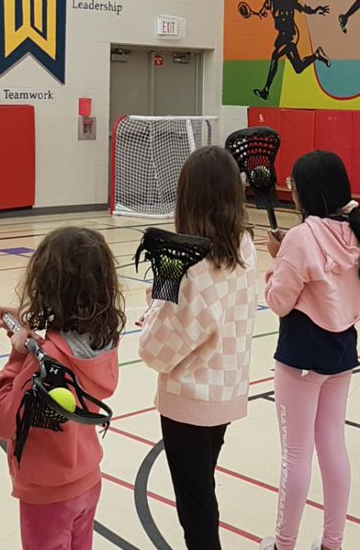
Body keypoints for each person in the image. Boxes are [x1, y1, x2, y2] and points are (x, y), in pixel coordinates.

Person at [138, 146, 258, 550]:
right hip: (226, 389)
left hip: (190, 400)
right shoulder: (244, 244)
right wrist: (161, 300)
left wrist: (157, 306)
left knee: (196, 505)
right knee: (202, 488)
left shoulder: (192, 267)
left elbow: (155, 351)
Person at [259, 151, 360, 550]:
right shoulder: (357, 231)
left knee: (296, 455)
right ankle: (332, 543)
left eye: (293, 185)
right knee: (333, 446)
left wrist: (276, 261)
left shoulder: (301, 238)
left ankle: (284, 544)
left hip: (300, 358)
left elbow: (278, 302)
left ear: (307, 191)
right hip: (341, 354)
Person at [0, 227, 126, 550]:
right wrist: (33, 344)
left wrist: (17, 358)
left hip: (48, 495)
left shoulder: (43, 363)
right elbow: (64, 361)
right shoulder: (103, 342)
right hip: (87, 481)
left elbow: (4, 423)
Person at [247, 0, 331, 101]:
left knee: (275, 56)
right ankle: (317, 55)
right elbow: (262, 11)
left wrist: (315, 10)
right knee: (298, 68)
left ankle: (266, 90)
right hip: (282, 36)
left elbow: (303, 9)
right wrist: (259, 13)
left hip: (292, 35)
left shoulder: (291, 0)